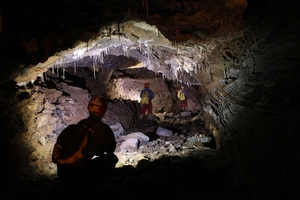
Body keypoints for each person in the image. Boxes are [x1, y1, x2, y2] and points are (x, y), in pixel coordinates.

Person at [55, 95, 118, 185]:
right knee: (111, 158)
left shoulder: (80, 124)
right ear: (104, 112)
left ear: (89, 108)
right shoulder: (103, 129)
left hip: (62, 174)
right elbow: (110, 149)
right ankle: (92, 186)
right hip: (78, 177)